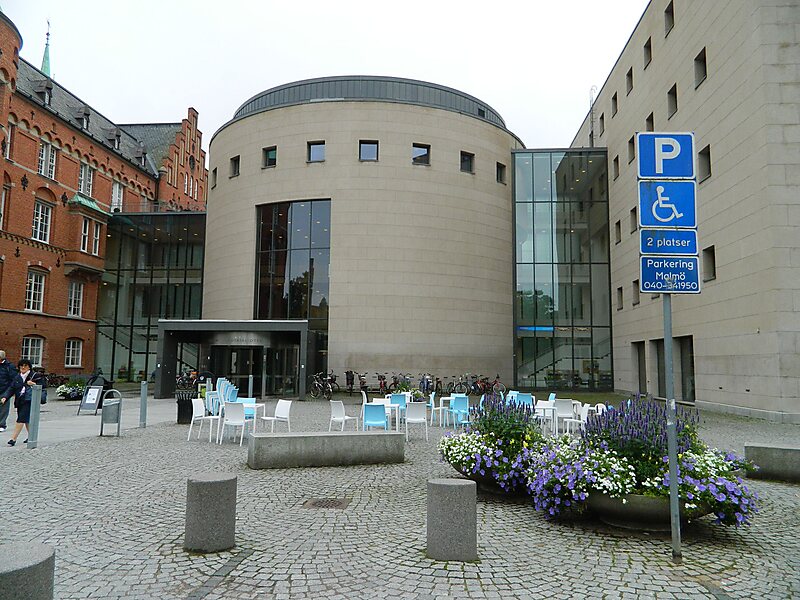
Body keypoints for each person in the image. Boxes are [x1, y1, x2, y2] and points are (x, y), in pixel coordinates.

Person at [3, 359, 45, 446]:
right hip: (20, 400)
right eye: (21, 366)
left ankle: (13, 438)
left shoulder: (35, 376)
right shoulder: (17, 377)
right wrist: (5, 397)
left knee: (21, 419)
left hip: (29, 400)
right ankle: (31, 436)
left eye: (25, 366)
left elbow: (43, 387)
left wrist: (33, 384)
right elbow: (11, 388)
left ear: (29, 367)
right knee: (26, 420)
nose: (23, 367)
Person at [0, 349, 18, 432]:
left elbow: (13, 379)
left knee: (4, 408)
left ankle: (2, 424)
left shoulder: (9, 367)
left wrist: (11, 391)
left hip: (5, 389)